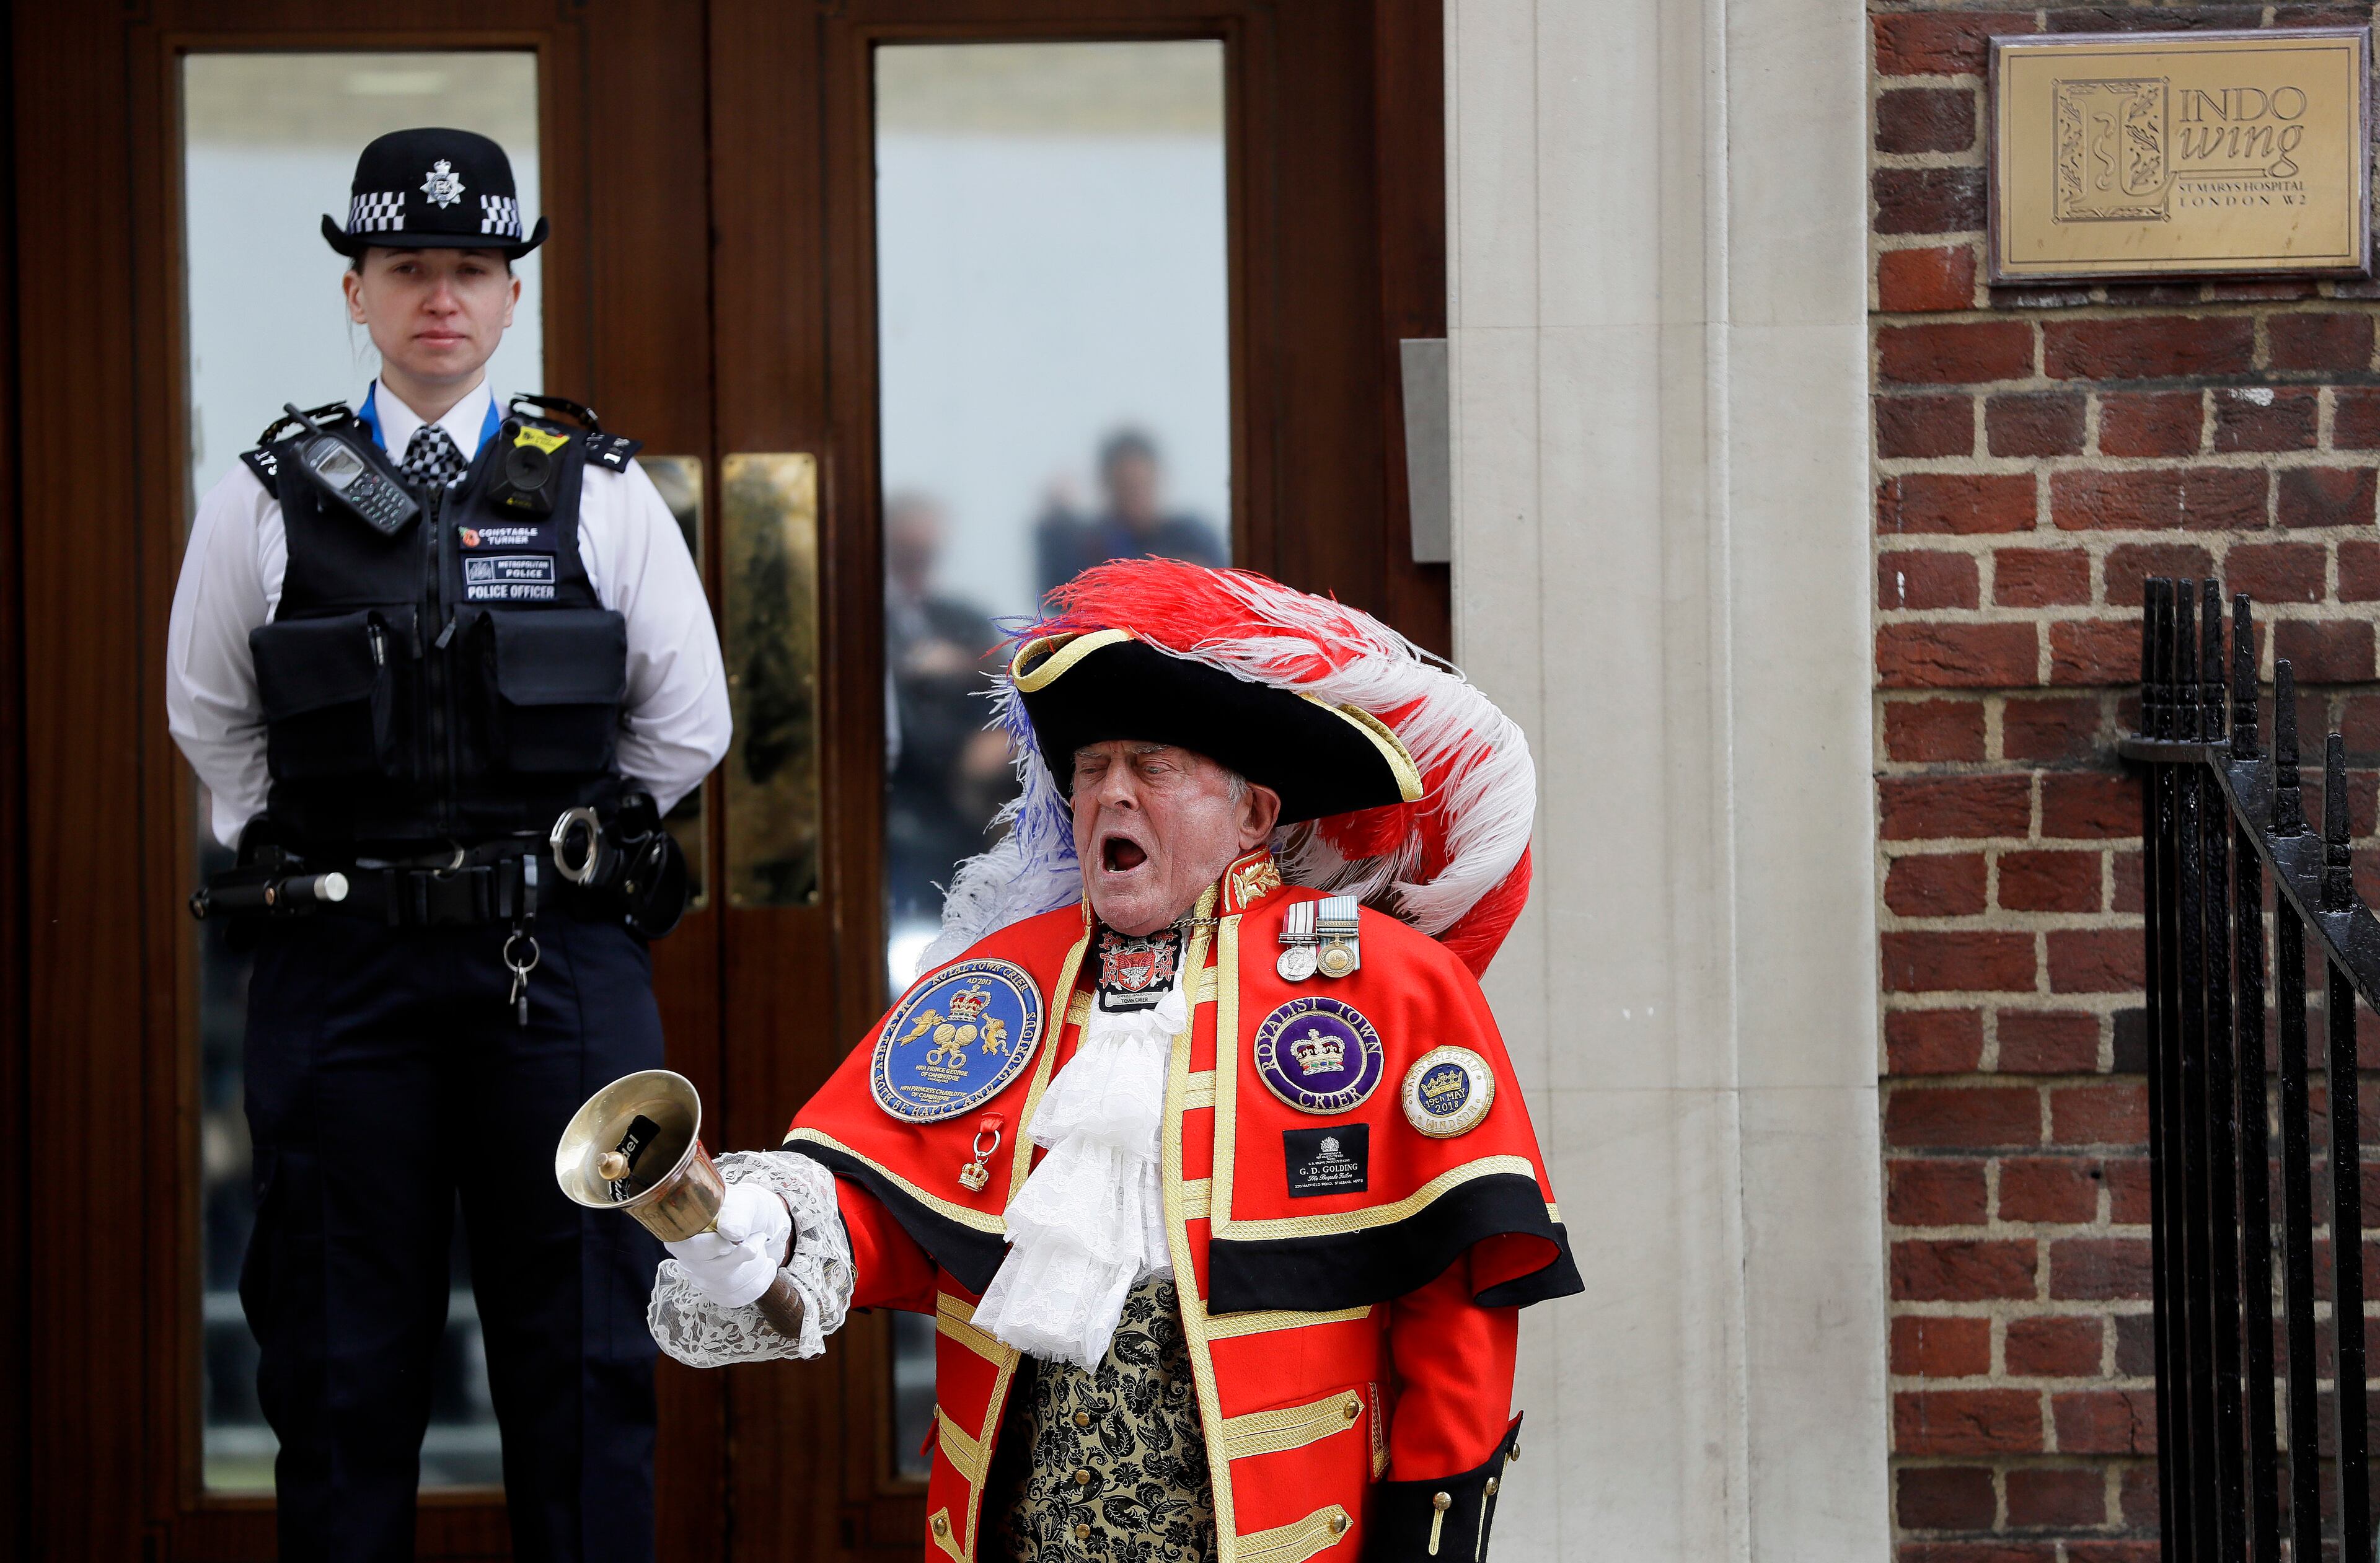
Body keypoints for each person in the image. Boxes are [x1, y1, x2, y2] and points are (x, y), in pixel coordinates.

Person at [646, 558, 1575, 1562]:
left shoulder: (1390, 985)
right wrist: (767, 1221)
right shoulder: (998, 985)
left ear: (1254, 814)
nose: (1110, 794)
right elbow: (895, 1196)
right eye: (1091, 769)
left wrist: (1428, 1537)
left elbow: (1455, 1298)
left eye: (1153, 765)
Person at [165, 126, 729, 1563]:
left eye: (472, 268)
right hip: (343, 975)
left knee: (588, 1363)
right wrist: (350, 861)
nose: (441, 298)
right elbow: (212, 723)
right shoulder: (265, 496)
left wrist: (550, 857)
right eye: (408, 268)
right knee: (340, 1370)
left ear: (510, 294)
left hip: (558, 976)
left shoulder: (596, 488)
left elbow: (688, 724)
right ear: (355, 288)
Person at [884, 491, 1016, 928]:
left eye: (929, 552)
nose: (921, 564)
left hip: (975, 814)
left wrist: (1002, 737)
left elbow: (1010, 675)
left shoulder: (959, 616)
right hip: (907, 814)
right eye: (910, 552)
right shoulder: (872, 621)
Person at [1034, 428, 1225, 598]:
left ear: (1157, 478)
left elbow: (1221, 586)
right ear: (1107, 485)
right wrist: (1054, 523)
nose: (1135, 496)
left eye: (1142, 485)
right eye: (1126, 487)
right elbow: (1058, 592)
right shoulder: (1093, 543)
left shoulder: (1190, 535)